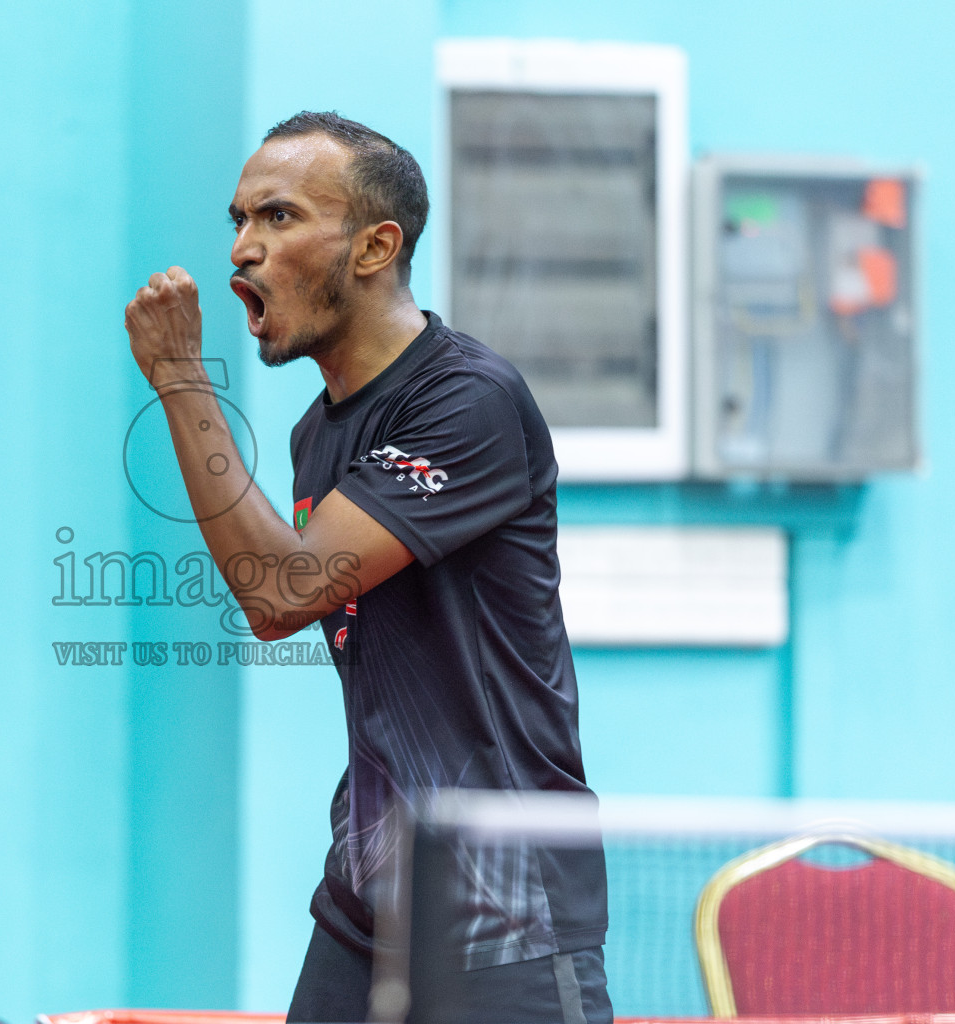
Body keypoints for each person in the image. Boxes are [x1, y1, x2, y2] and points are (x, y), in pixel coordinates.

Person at [123, 111, 610, 1024]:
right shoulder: (321, 433)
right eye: (238, 221)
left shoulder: (469, 402)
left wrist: (182, 380)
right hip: (368, 897)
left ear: (375, 246)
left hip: (499, 907)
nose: (243, 250)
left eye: (277, 218)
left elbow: (280, 594)